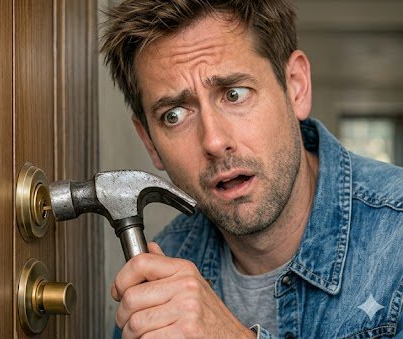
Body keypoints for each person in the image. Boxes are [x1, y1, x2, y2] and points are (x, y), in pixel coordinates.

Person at [100, 0, 403, 338]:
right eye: (175, 115)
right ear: (150, 143)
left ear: (296, 87)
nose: (214, 141)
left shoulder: (397, 237)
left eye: (234, 94)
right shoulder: (161, 273)